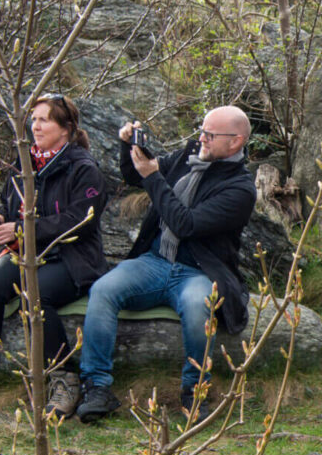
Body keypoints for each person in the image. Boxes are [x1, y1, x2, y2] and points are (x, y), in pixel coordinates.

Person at [74, 106, 258, 422]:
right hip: (155, 261)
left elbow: (184, 223)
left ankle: (194, 394)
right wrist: (130, 147)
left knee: (200, 306)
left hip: (198, 272)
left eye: (210, 135)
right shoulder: (192, 153)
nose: (201, 138)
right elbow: (137, 176)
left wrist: (152, 176)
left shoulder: (241, 189)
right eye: (202, 129)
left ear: (236, 142)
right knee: (103, 290)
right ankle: (96, 388)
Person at [0, 94, 109, 417]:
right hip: (25, 254)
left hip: (73, 259)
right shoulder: (24, 163)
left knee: (33, 295)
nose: (35, 126)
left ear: (65, 128)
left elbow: (80, 221)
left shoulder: (84, 168)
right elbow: (11, 208)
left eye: (43, 120)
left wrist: (23, 230)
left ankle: (64, 379)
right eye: (33, 119)